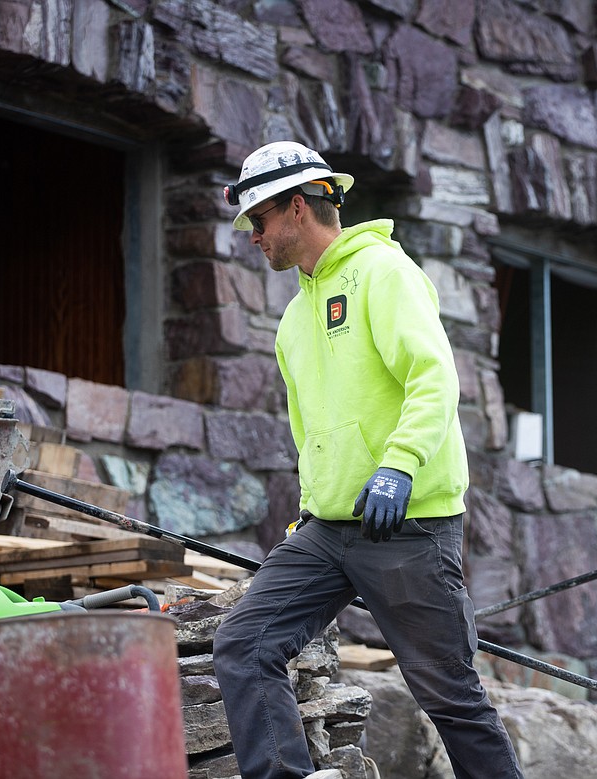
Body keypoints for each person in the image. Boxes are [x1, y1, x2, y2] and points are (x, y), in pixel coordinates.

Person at [212, 140, 525, 779]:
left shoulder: (385, 273)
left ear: (298, 208)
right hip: (328, 530)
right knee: (243, 644)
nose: (253, 237)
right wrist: (309, 508)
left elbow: (434, 379)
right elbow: (312, 431)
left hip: (408, 525)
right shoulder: (294, 319)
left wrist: (399, 465)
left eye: (260, 220)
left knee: (450, 697)